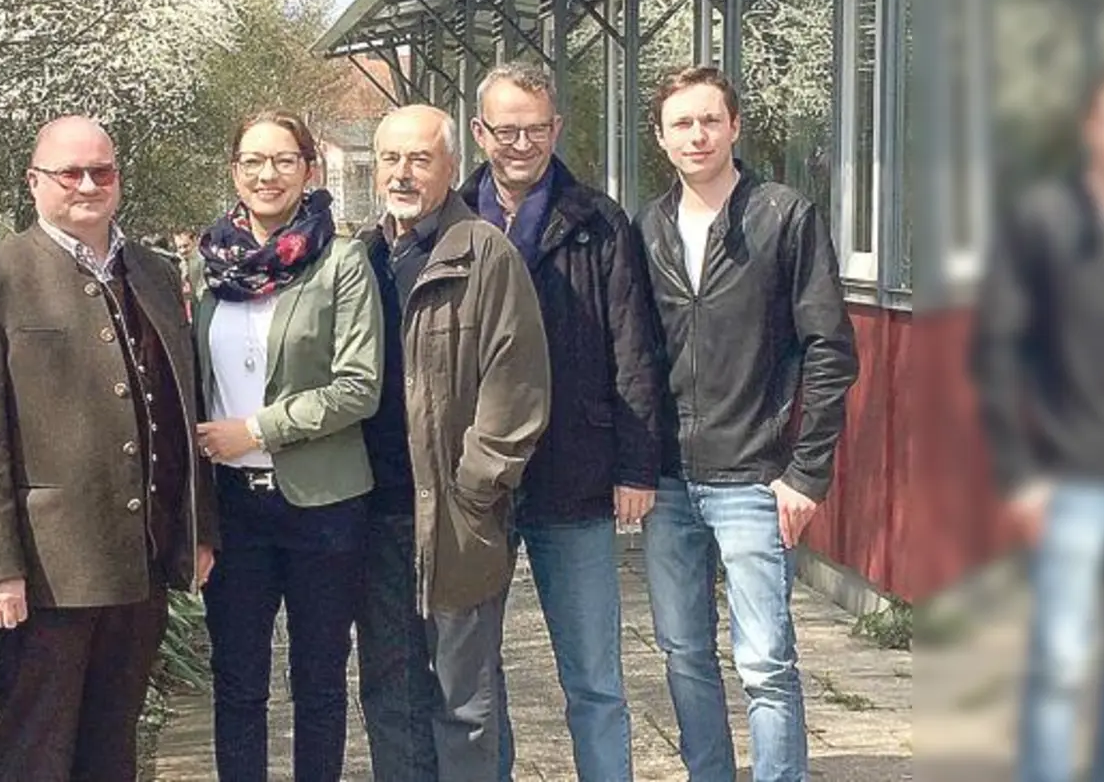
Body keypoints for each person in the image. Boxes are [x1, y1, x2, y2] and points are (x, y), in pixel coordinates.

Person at [0, 115, 218, 782]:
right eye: (70, 172)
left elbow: (182, 408)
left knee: (111, 749)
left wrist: (198, 529)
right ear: (35, 182)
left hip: (139, 562)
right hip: (45, 572)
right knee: (36, 750)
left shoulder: (153, 270)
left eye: (102, 171)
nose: (88, 184)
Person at [636, 65, 858, 782]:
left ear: (734, 126)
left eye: (709, 120)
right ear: (662, 139)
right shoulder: (649, 227)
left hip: (755, 478)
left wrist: (805, 472)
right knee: (683, 652)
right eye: (681, 124)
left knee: (764, 660)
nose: (696, 135)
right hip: (668, 481)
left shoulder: (783, 216)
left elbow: (830, 350)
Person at [461, 61, 662, 782]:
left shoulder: (597, 221)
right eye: (506, 129)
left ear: (558, 129)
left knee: (594, 677)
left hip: (575, 472)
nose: (521, 143)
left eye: (536, 128)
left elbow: (633, 344)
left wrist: (637, 466)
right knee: (478, 675)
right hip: (476, 482)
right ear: (480, 131)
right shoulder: (453, 221)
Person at [356, 103, 551, 782]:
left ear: (448, 166)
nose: (403, 172)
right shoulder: (364, 257)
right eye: (391, 158)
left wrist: (474, 489)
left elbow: (517, 382)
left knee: (464, 701)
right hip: (377, 516)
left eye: (420, 158)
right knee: (389, 693)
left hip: (457, 520)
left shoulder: (485, 255)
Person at [189, 109, 384, 781]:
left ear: (309, 169)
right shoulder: (207, 265)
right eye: (253, 161)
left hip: (323, 506)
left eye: (283, 160)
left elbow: (360, 386)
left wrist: (258, 430)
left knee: (320, 684)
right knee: (238, 683)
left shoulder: (341, 261)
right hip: (233, 507)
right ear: (234, 170)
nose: (267, 174)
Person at [971, 69, 1104, 782]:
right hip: (1073, 483)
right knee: (1060, 667)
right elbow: (998, 352)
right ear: (1090, 129)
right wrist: (1021, 473)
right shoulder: (1046, 222)